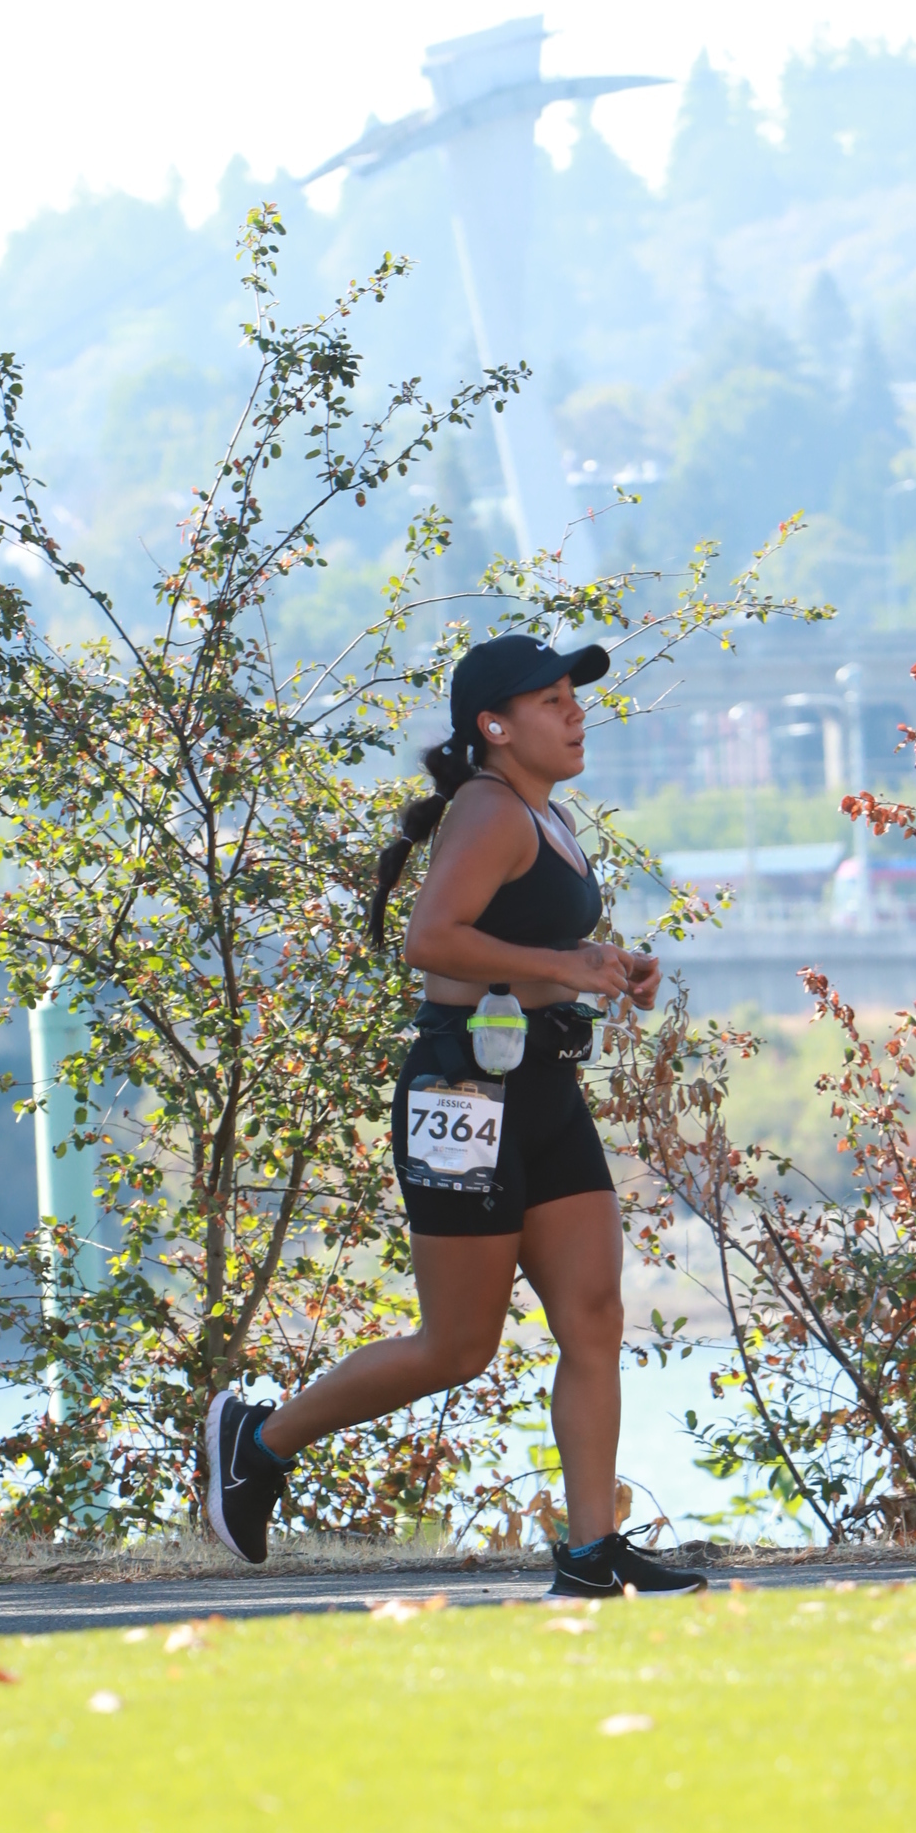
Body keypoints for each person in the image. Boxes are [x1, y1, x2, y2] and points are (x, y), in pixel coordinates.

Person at [203, 632, 705, 1595]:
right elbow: (431, 944)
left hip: (542, 1084)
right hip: (464, 1092)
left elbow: (513, 947)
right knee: (459, 1347)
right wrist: (563, 965)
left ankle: (591, 1554)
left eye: (574, 696)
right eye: (551, 700)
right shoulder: (489, 808)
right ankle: (257, 1443)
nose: (576, 712)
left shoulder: (544, 813)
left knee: (593, 1318)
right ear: (495, 726)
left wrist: (601, 964)